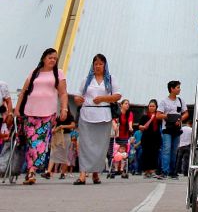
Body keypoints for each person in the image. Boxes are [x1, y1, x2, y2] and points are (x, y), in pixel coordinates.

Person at [13, 48, 68, 185]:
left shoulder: (59, 74)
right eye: (50, 57)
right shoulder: (34, 72)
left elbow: (63, 93)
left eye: (55, 58)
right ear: (44, 58)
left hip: (47, 113)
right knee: (32, 142)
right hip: (30, 112)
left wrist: (64, 108)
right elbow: (24, 91)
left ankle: (32, 170)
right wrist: (17, 109)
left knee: (41, 143)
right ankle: (31, 169)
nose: (53, 60)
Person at [72, 54, 122, 185]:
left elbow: (117, 96)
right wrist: (78, 100)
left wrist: (103, 99)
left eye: (100, 64)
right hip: (87, 114)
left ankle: (95, 173)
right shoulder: (86, 80)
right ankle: (83, 174)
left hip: (103, 115)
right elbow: (77, 96)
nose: (98, 66)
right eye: (96, 64)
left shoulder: (110, 79)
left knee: (100, 145)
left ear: (105, 65)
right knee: (85, 144)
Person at [156, 81, 188, 180]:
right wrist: (169, 116)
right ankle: (164, 171)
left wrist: (179, 119)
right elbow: (158, 115)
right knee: (166, 150)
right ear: (172, 89)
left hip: (177, 129)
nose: (179, 89)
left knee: (174, 151)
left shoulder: (181, 100)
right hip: (167, 129)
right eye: (178, 87)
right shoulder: (164, 101)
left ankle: (173, 171)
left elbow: (186, 113)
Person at [44, 110, 75, 180]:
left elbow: (73, 125)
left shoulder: (70, 116)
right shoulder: (58, 116)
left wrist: (62, 126)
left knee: (64, 155)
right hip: (57, 136)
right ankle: (48, 172)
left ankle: (63, 173)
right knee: (53, 153)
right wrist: (53, 129)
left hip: (66, 136)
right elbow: (56, 125)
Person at [138, 99, 162, 178]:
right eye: (150, 106)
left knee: (154, 154)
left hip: (156, 138)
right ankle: (146, 171)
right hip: (146, 138)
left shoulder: (158, 117)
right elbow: (140, 126)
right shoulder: (144, 116)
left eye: (153, 106)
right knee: (146, 154)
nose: (151, 107)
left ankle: (153, 170)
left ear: (156, 107)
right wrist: (142, 127)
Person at [115, 99, 133, 178]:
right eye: (125, 103)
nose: (127, 105)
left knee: (124, 154)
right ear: (121, 105)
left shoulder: (130, 113)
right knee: (116, 153)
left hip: (125, 136)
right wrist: (115, 127)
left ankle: (122, 169)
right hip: (117, 136)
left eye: (128, 104)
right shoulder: (117, 113)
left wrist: (130, 127)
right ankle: (116, 169)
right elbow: (114, 121)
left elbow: (130, 121)